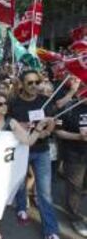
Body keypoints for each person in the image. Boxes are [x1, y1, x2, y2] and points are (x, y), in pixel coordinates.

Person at [0, 93, 51, 239]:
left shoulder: (12, 122)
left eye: (5, 104)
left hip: (5, 167)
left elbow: (28, 141)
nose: (4, 107)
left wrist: (39, 128)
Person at [9, 70, 59, 239]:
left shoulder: (45, 101)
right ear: (22, 84)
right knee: (21, 184)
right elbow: (10, 126)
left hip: (42, 151)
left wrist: (46, 132)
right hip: (22, 150)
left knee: (45, 192)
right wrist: (20, 126)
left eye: (37, 82)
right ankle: (22, 207)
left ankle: (50, 231)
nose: (34, 86)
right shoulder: (14, 104)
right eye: (29, 82)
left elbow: (52, 122)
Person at [55, 96, 87, 237]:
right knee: (74, 188)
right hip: (74, 155)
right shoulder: (68, 107)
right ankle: (75, 217)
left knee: (83, 187)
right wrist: (78, 137)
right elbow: (58, 131)